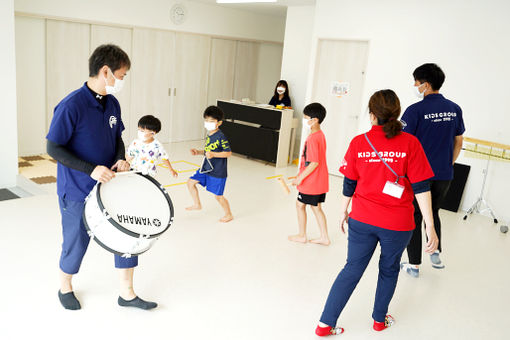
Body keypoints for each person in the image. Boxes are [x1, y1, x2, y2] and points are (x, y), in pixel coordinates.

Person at [315, 90, 439, 336]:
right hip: (398, 224)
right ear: (397, 114)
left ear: (372, 116)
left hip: (362, 219)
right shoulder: (411, 144)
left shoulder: (359, 143)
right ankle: (379, 321)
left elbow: (349, 182)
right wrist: (430, 226)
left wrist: (342, 211)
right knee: (389, 269)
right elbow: (421, 188)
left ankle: (324, 324)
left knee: (351, 269)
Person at [46, 44, 157, 311]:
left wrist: (121, 158)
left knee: (126, 235)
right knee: (76, 241)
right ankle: (65, 287)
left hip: (110, 186)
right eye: (122, 75)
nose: (122, 80)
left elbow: (117, 137)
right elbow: (53, 147)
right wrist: (90, 168)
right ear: (105, 71)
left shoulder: (112, 102)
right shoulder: (72, 105)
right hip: (77, 189)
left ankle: (127, 294)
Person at [400, 63, 465, 277]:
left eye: (416, 83)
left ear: (425, 85)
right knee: (433, 212)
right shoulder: (454, 108)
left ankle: (414, 264)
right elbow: (458, 141)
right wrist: (450, 163)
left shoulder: (414, 111)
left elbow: (404, 143)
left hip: (419, 176)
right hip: (444, 173)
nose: (414, 86)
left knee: (415, 216)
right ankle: (435, 251)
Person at [288, 103, 330, 245]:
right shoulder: (320, 135)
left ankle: (302, 235)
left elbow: (314, 162)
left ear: (315, 120)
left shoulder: (312, 138)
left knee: (300, 205)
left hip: (311, 182)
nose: (304, 120)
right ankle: (324, 237)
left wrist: (300, 178)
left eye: (306, 118)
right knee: (316, 207)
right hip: (319, 180)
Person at [186, 106, 234, 223]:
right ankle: (197, 204)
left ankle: (228, 214)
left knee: (218, 196)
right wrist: (199, 152)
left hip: (218, 171)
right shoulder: (209, 135)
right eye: (206, 120)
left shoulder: (221, 136)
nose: (208, 123)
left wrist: (214, 155)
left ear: (219, 123)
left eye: (211, 121)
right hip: (206, 168)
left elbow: (228, 153)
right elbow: (208, 151)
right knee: (190, 182)